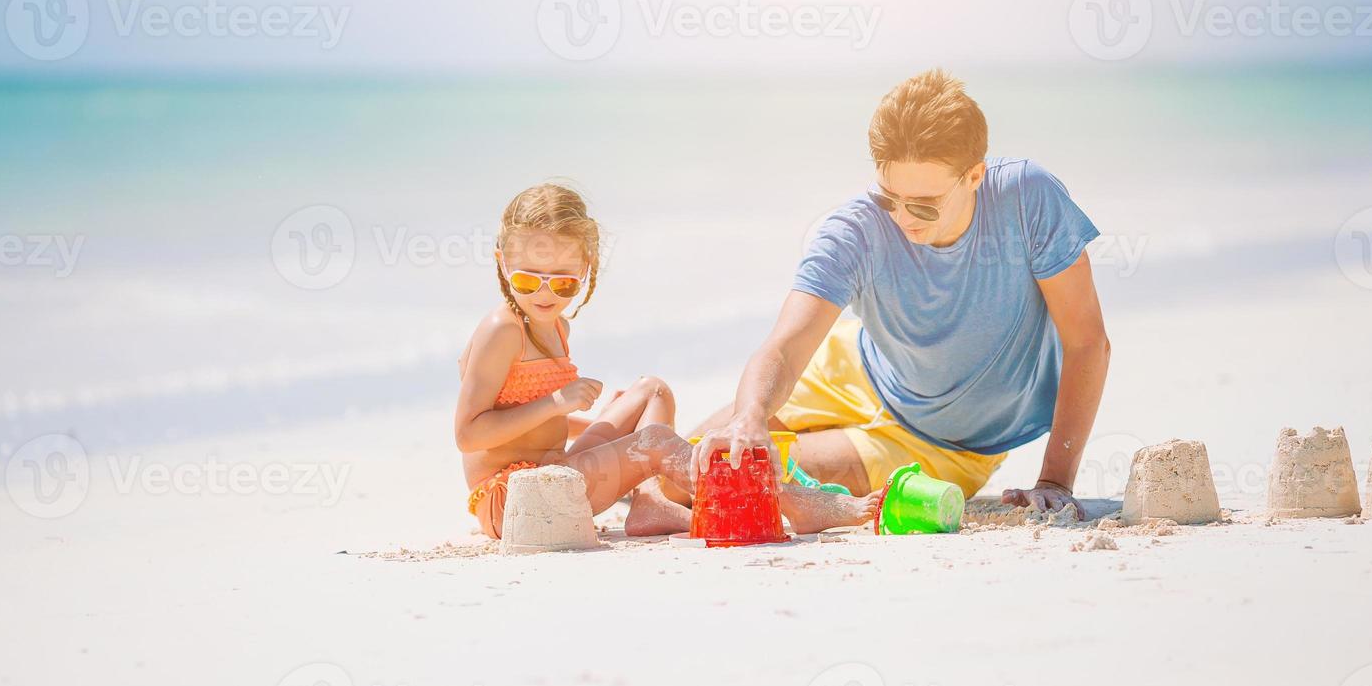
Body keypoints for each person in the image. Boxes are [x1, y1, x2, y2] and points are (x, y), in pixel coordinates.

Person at [669, 70, 1110, 525]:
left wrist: (1055, 481)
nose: (903, 218)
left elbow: (1087, 342)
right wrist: (751, 415)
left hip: (940, 443)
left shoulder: (1028, 199)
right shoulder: (854, 231)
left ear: (974, 176)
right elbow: (785, 344)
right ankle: (636, 448)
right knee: (691, 468)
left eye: (923, 204)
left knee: (743, 477)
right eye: (888, 197)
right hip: (853, 369)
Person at [455, 182, 886, 539]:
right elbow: (470, 434)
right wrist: (558, 404)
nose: (545, 294)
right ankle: (789, 501)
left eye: (564, 284)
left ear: (587, 266)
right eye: (528, 279)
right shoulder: (502, 330)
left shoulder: (553, 325)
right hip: (516, 499)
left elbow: (523, 422)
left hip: (551, 472)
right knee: (656, 442)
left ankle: (650, 503)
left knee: (651, 391)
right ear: (502, 262)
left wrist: (599, 428)